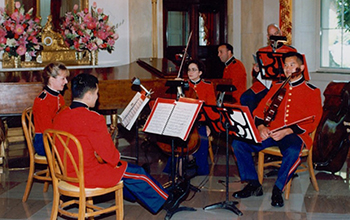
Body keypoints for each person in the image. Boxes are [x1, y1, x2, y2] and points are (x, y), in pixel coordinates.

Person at [53, 73, 188, 215]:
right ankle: (168, 201)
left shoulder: (61, 115)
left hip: (66, 172)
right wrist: (114, 153)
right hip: (86, 175)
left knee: (128, 173)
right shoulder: (93, 118)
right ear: (88, 95)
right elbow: (111, 158)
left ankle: (140, 195)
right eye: (96, 93)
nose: (97, 97)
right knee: (138, 173)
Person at [231, 52, 322, 207]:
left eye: (292, 65)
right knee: (239, 144)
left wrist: (287, 131)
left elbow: (313, 119)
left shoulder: (312, 91)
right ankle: (254, 184)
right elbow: (259, 111)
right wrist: (261, 127)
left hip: (294, 134)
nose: (288, 68)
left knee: (293, 152)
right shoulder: (276, 87)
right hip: (272, 132)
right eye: (285, 65)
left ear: (301, 67)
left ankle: (278, 189)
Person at [163, 60, 217, 178]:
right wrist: (177, 88)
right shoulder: (183, 85)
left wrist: (209, 125)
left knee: (202, 136)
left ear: (200, 72)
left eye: (194, 70)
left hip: (201, 120)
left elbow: (211, 108)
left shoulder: (208, 85)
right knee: (176, 137)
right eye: (189, 70)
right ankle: (176, 166)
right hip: (184, 120)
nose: (190, 72)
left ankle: (200, 168)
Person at [240, 23, 297, 113]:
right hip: (263, 85)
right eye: (271, 35)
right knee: (246, 97)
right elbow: (254, 74)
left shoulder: (290, 51)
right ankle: (252, 124)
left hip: (281, 85)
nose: (274, 37)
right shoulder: (262, 51)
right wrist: (256, 70)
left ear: (281, 33)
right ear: (268, 37)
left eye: (276, 33)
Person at [32, 62, 69, 156]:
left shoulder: (59, 97)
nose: (66, 82)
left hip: (56, 137)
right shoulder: (42, 101)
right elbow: (47, 131)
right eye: (63, 79)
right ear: (51, 79)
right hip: (45, 141)